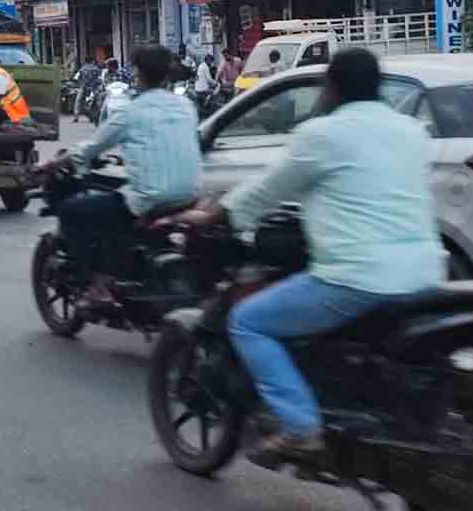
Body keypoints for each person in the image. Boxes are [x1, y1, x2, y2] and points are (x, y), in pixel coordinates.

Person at [176, 48, 443, 467]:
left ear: (332, 88)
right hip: (427, 273)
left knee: (248, 321)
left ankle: (300, 427)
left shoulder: (321, 135)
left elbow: (266, 191)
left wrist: (216, 213)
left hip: (355, 278)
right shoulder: (412, 131)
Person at [51, 44, 201, 306]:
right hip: (189, 195)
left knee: (71, 210)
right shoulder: (186, 106)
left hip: (149, 199)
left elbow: (88, 149)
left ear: (138, 73)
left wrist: (49, 165)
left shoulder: (130, 111)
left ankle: (99, 285)